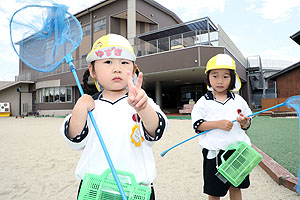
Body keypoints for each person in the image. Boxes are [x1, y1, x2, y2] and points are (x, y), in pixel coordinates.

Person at [60, 34, 168, 199]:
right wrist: (80, 109)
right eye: (108, 62)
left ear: (133, 70)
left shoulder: (141, 99)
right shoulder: (89, 104)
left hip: (137, 189)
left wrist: (143, 108)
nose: (117, 68)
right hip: (94, 189)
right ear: (92, 70)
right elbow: (75, 139)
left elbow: (156, 130)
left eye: (124, 62)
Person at [191, 54, 252, 200]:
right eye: (215, 76)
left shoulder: (239, 100)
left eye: (225, 76)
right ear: (208, 78)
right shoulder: (203, 102)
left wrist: (245, 122)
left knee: (236, 186)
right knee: (214, 191)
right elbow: (198, 125)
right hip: (214, 153)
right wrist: (218, 124)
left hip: (237, 151)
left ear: (232, 78)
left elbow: (248, 123)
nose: (220, 81)